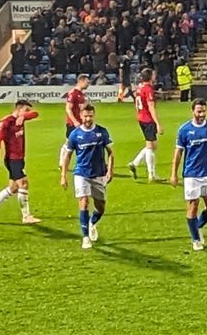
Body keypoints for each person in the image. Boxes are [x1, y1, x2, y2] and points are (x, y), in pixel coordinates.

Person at [171, 97, 207, 250]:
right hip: (191, 175)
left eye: (204, 111)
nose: (202, 114)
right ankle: (195, 239)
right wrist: (173, 174)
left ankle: (197, 227)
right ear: (193, 111)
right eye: (199, 111)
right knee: (193, 207)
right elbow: (178, 154)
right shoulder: (184, 130)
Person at [58, 100, 114, 248]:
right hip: (81, 173)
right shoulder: (75, 135)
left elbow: (111, 153)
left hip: (99, 174)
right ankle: (85, 238)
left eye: (90, 116)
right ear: (81, 116)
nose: (88, 119)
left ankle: (92, 222)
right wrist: (63, 175)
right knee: (84, 202)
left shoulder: (101, 132)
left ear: (93, 115)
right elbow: (68, 156)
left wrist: (110, 170)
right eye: (85, 116)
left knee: (101, 207)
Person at [0, 98, 42, 223]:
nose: (28, 112)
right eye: (25, 110)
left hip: (20, 159)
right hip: (12, 159)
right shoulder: (6, 122)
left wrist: (24, 116)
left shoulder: (21, 119)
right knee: (24, 184)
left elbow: (36, 114)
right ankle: (26, 216)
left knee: (14, 188)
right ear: (18, 109)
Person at [121, 67, 162, 181]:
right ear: (150, 77)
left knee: (153, 145)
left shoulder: (139, 87)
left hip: (141, 118)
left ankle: (135, 163)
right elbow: (151, 107)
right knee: (150, 147)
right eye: (153, 75)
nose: (155, 77)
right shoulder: (148, 89)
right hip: (148, 120)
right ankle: (151, 175)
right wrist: (157, 123)